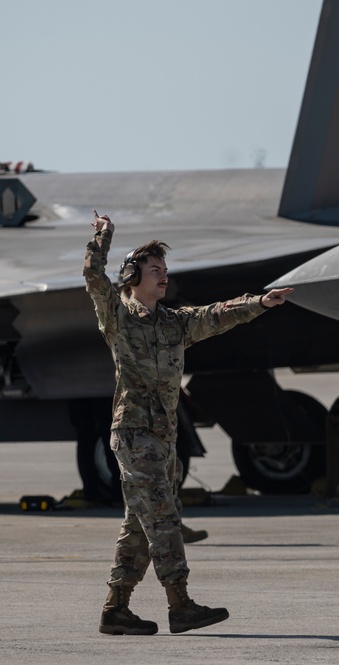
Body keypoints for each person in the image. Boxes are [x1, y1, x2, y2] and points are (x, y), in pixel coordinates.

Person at [85, 210, 293, 635]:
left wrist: (260, 303)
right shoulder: (118, 315)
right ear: (132, 275)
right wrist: (105, 237)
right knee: (162, 516)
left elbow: (217, 316)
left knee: (139, 526)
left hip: (163, 438)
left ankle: (116, 609)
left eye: (165, 270)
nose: (163, 276)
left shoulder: (174, 323)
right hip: (134, 434)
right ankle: (180, 604)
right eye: (154, 270)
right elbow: (93, 274)